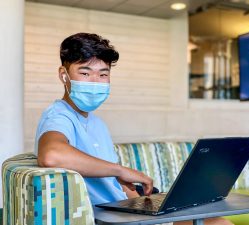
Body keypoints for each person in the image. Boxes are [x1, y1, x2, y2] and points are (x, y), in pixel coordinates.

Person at [35, 33, 233, 225]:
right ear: (64, 75)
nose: (95, 82)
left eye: (103, 74)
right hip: (108, 218)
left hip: (125, 210)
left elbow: (114, 184)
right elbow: (51, 155)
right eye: (85, 73)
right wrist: (120, 170)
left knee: (212, 216)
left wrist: (146, 201)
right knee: (219, 223)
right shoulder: (59, 116)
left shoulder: (97, 123)